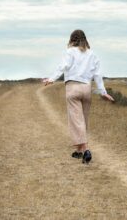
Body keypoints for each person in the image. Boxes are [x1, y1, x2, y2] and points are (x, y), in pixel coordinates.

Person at [42, 29, 114, 164]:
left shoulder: (70, 52)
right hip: (86, 88)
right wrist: (103, 92)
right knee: (83, 120)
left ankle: (86, 150)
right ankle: (79, 151)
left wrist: (51, 79)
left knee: (76, 120)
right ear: (85, 39)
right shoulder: (92, 54)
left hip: (73, 88)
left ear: (72, 40)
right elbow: (97, 75)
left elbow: (63, 66)